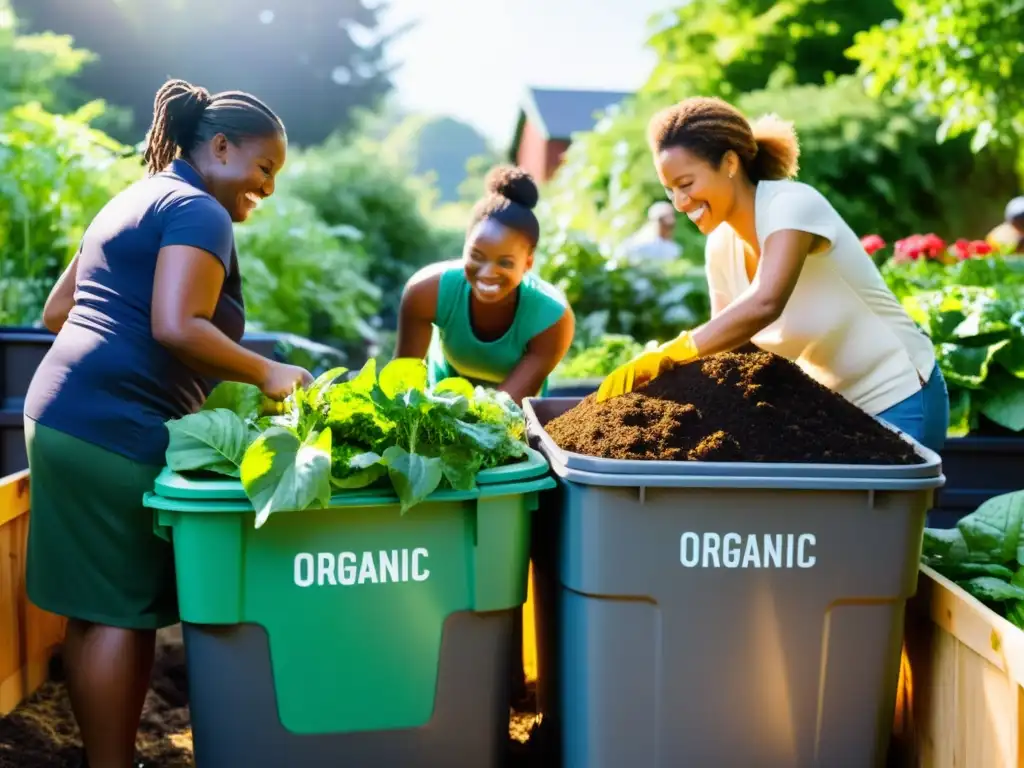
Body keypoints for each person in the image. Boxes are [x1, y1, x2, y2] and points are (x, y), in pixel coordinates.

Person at [23, 78, 312, 768]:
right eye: (264, 167)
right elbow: (176, 323)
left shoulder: (134, 198)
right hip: (119, 427)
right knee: (127, 607)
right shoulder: (197, 209)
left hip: (58, 414)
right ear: (218, 147)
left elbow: (60, 312)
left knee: (94, 604)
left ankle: (107, 760)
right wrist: (266, 371)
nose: (268, 188)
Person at [597, 96, 949, 455]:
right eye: (670, 191)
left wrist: (676, 349)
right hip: (832, 416)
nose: (680, 203)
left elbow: (766, 302)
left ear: (730, 163)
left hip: (898, 394)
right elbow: (729, 347)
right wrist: (659, 384)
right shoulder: (720, 244)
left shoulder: (790, 206)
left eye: (686, 183)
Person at [395, 164, 575, 403]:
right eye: (477, 256)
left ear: (528, 262)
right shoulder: (426, 291)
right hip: (439, 403)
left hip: (509, 422)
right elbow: (402, 384)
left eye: (506, 263)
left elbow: (503, 410)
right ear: (465, 247)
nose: (488, 273)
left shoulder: (552, 319)